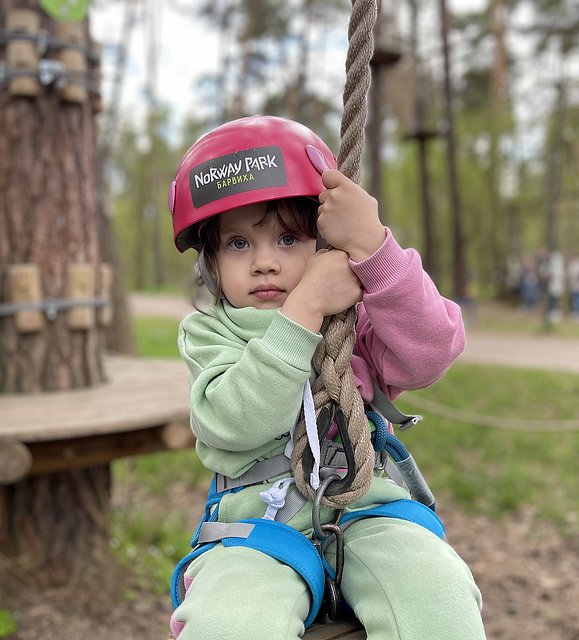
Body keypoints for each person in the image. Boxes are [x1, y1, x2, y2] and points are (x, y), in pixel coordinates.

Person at [167, 115, 485, 640]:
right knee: (228, 623)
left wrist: (375, 250)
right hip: (257, 530)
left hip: (368, 513)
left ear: (323, 245)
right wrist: (305, 307)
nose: (265, 262)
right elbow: (232, 421)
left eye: (288, 238)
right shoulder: (211, 332)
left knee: (438, 599)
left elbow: (432, 351)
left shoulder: (354, 322)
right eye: (238, 243)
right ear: (210, 261)